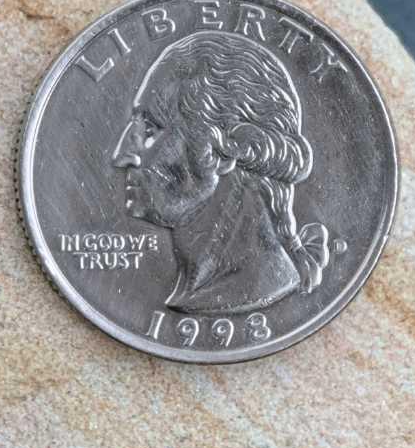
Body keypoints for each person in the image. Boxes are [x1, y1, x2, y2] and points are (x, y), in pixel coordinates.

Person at [111, 30, 328, 314]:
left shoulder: (247, 286)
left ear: (229, 149)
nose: (120, 156)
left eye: (151, 129)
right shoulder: (196, 289)